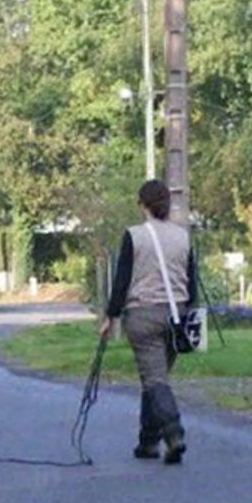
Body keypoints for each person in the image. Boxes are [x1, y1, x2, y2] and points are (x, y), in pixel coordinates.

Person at [99, 179, 196, 464]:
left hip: (143, 316)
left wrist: (111, 316)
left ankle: (174, 433)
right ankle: (148, 442)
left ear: (143, 205)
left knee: (154, 379)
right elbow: (191, 281)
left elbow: (122, 280)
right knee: (155, 378)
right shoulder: (183, 237)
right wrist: (190, 314)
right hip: (177, 315)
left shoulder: (135, 235)